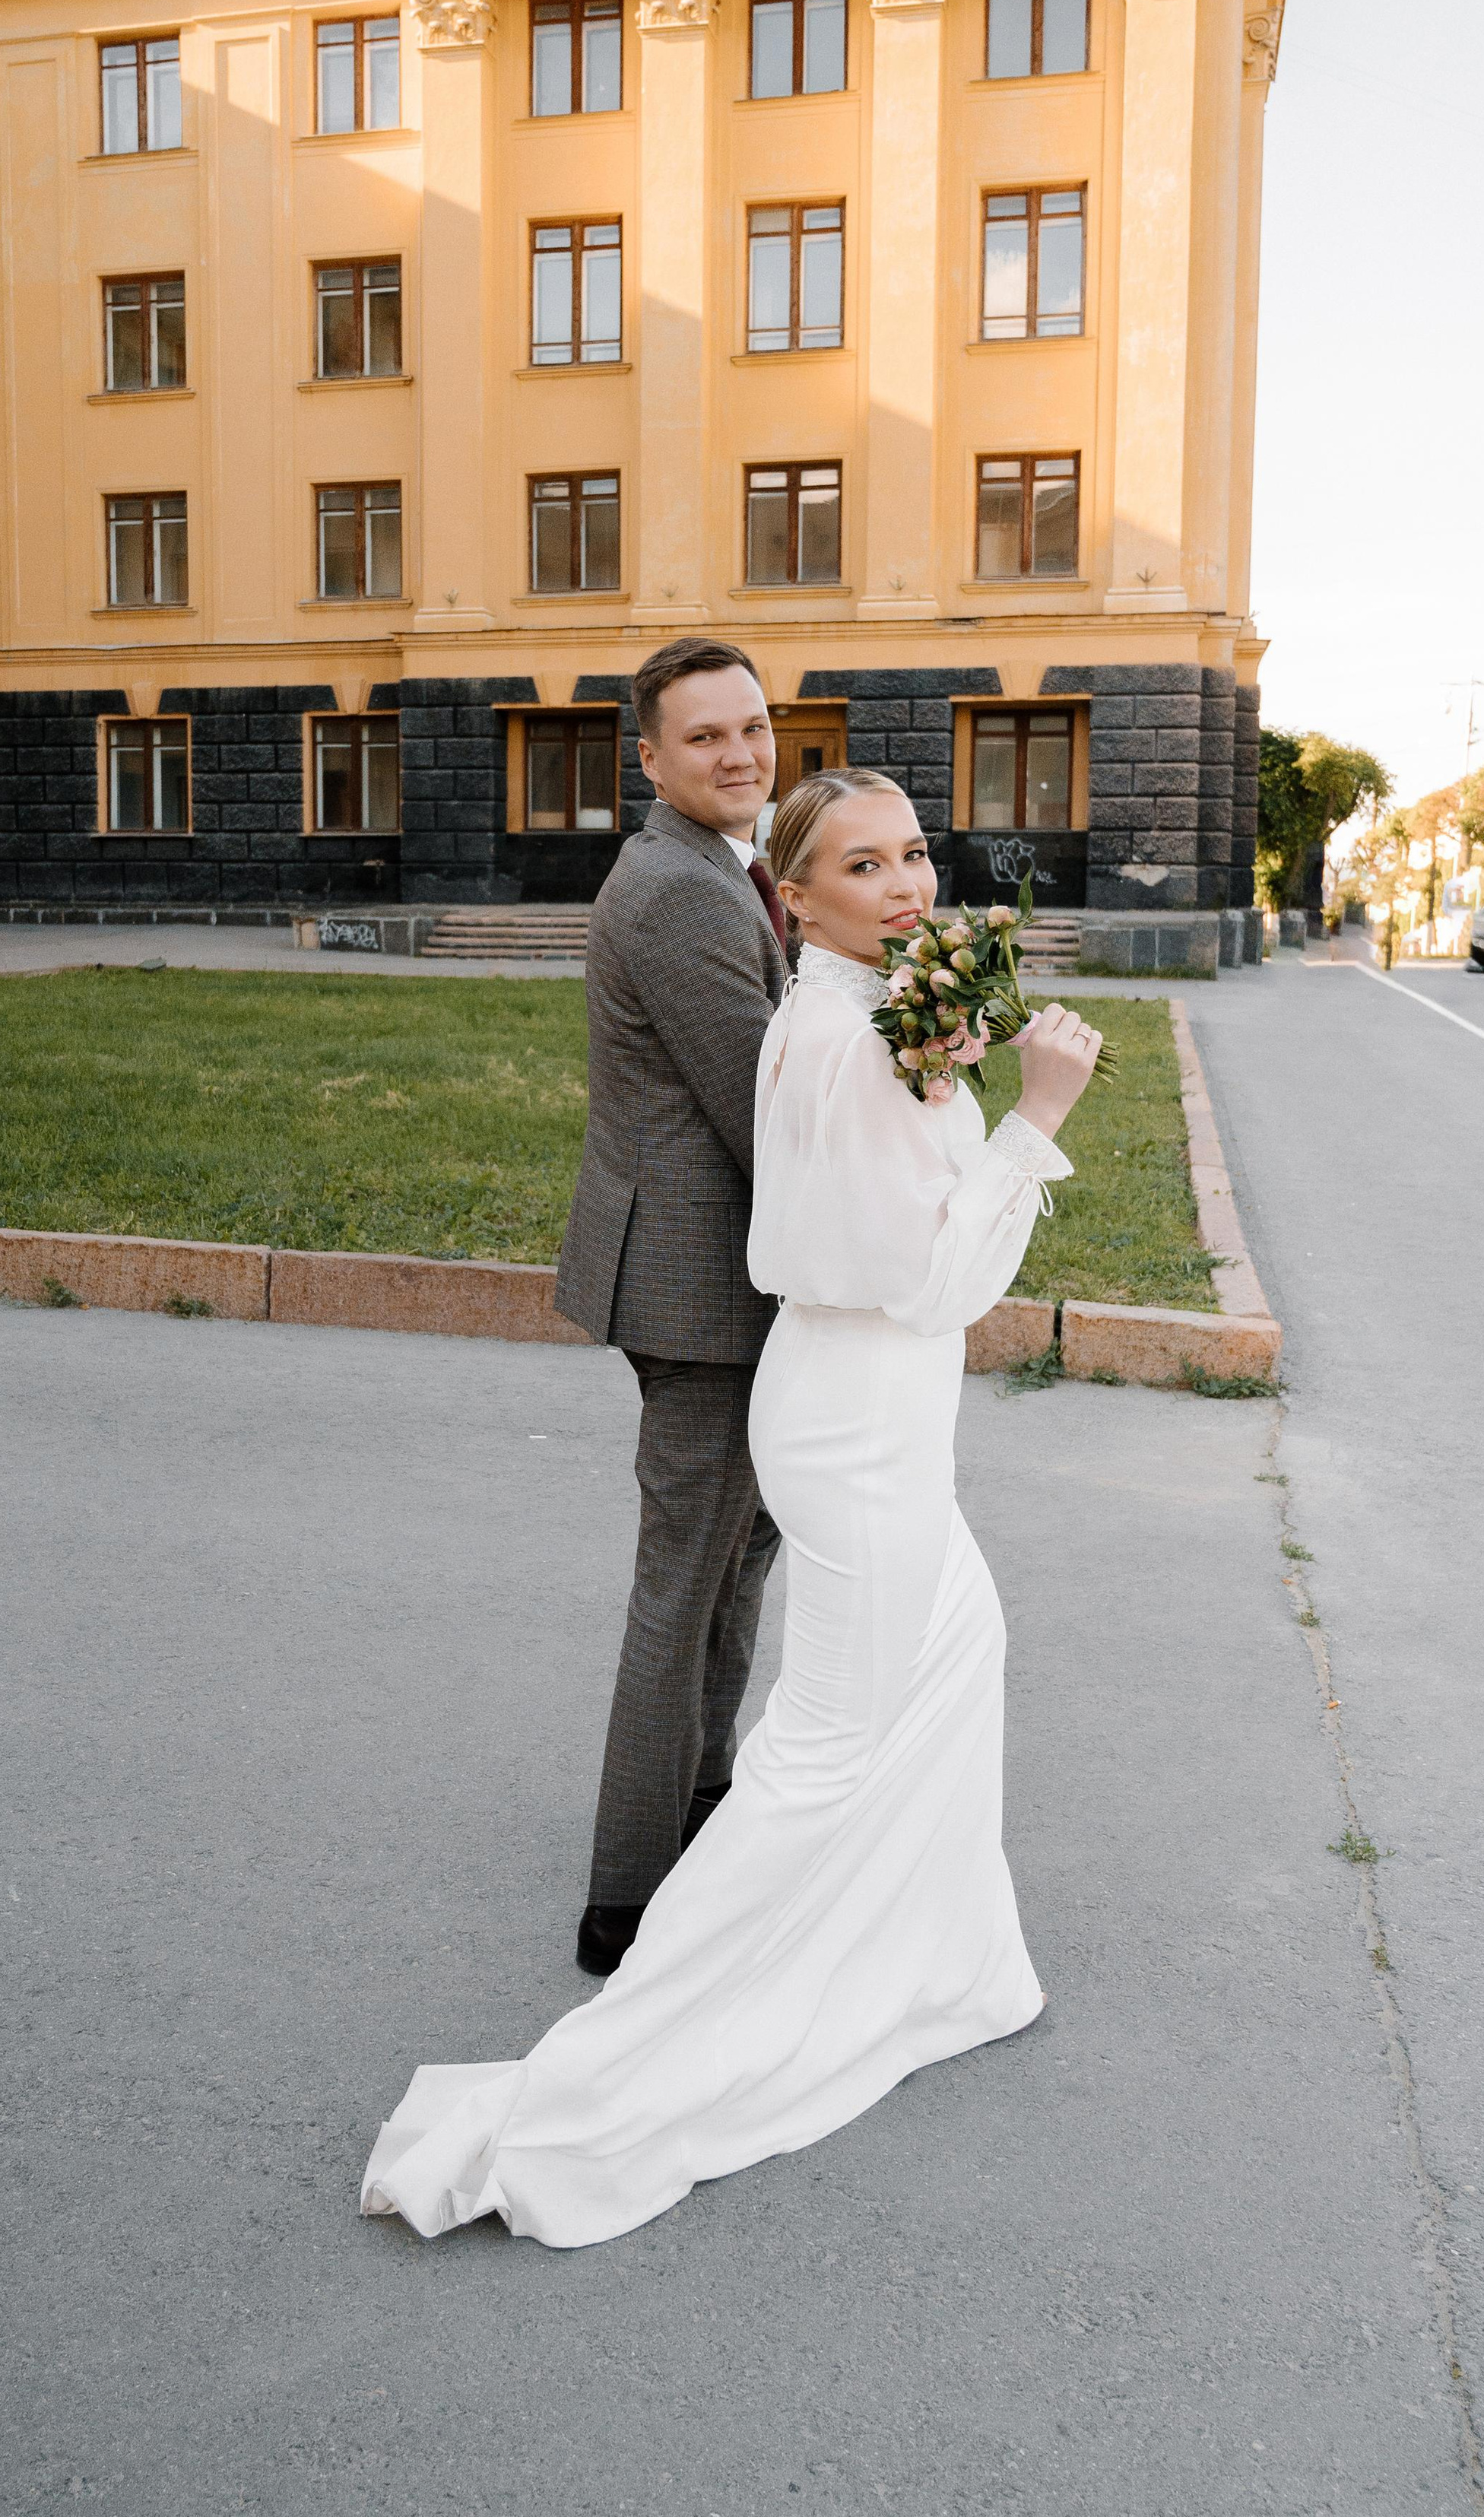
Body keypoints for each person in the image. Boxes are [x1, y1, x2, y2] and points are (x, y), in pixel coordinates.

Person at [361, 767, 1101, 2249]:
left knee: (958, 1648)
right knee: (825, 1748)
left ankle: (939, 1960)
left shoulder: (850, 1012)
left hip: (859, 1408)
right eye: (860, 864)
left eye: (913, 855)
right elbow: (933, 1277)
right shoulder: (840, 1044)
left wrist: (948, 1070)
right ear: (794, 895)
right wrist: (1031, 1119)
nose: (903, 885)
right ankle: (631, 2053)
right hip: (863, 1421)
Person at [550, 636, 789, 1979]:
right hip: (702, 1292)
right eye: (704, 737)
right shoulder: (683, 892)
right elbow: (768, 1113)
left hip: (710, 1276)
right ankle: (627, 1899)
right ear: (650, 759)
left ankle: (702, 1806)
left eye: (752, 726)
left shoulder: (718, 864)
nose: (739, 753)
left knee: (734, 1559)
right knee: (684, 1579)